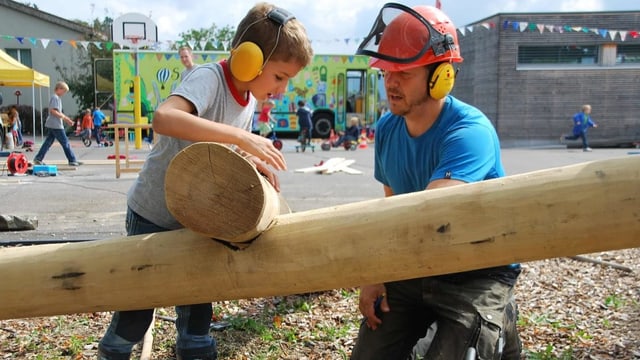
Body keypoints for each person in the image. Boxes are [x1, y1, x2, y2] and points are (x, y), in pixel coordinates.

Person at [96, 2, 313, 360]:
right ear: (249, 59)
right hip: (155, 214)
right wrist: (241, 138)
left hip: (198, 216)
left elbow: (221, 149)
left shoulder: (248, 100)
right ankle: (114, 350)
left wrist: (253, 160)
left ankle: (194, 347)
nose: (282, 89)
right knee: (138, 306)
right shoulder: (210, 78)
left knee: (197, 303)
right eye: (279, 77)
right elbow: (165, 119)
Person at [350, 4, 521, 360]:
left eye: (404, 72)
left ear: (442, 74)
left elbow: (428, 214)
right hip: (419, 263)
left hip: (477, 271)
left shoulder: (469, 132)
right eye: (386, 72)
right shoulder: (387, 129)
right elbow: (393, 207)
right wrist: (376, 273)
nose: (391, 82)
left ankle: (496, 318)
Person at [33, 81, 82, 166]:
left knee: (48, 142)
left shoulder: (57, 98)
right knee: (65, 142)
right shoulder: (55, 98)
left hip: (54, 124)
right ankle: (72, 160)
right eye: (64, 91)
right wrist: (65, 119)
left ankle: (38, 158)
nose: (64, 93)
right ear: (59, 89)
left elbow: (57, 111)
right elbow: (53, 111)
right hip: (56, 125)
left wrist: (66, 119)